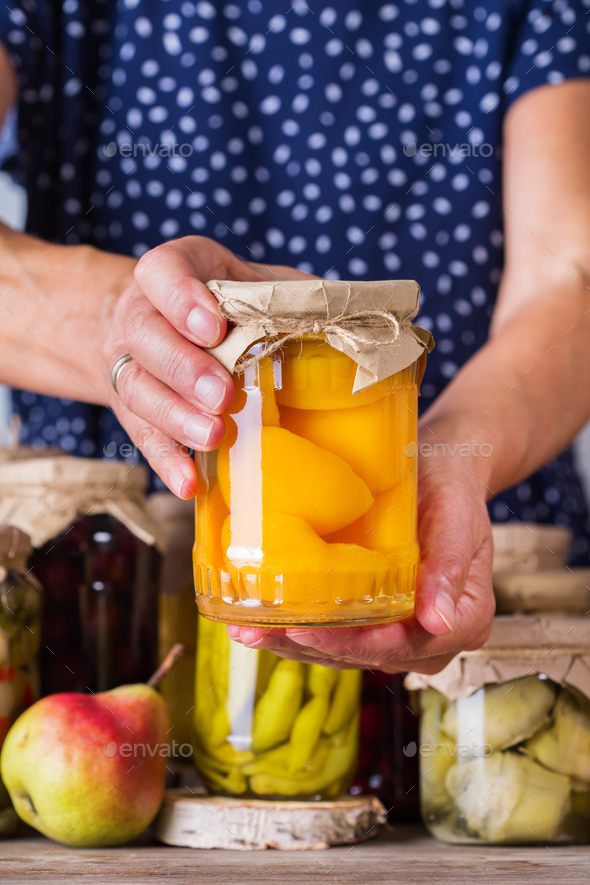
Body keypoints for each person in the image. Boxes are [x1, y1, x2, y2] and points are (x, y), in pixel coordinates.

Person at [1, 1, 589, 675]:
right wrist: (122, 316)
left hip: (469, 554)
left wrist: (455, 459)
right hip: (100, 565)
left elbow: (570, 278)